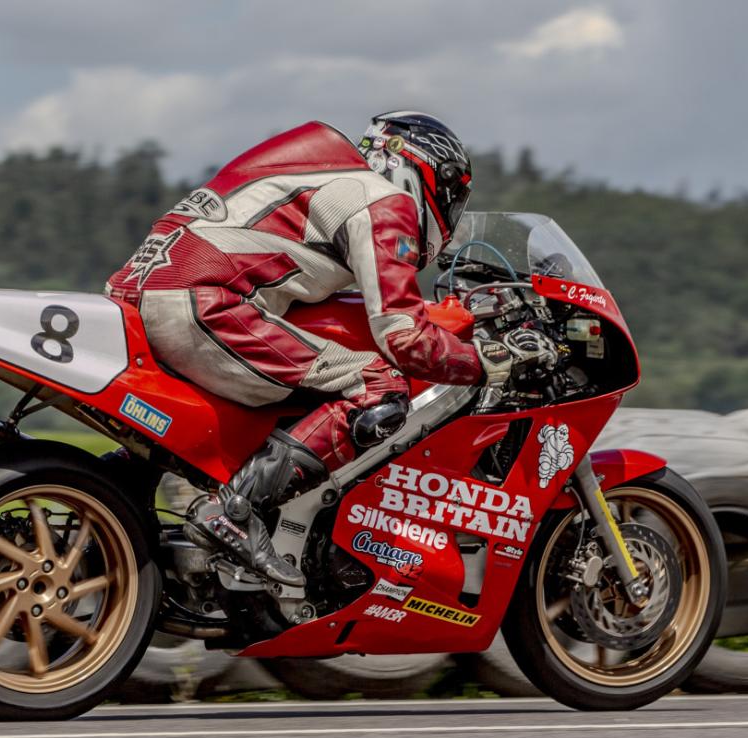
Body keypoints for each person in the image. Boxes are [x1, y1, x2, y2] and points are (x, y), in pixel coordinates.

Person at [105, 111, 557, 586]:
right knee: (378, 385)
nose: (448, 209)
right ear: (424, 171)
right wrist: (489, 360)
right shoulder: (383, 201)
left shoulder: (325, 177)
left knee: (307, 387)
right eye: (450, 195)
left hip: (139, 293)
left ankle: (120, 492)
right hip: (200, 302)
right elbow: (404, 338)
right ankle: (236, 512)